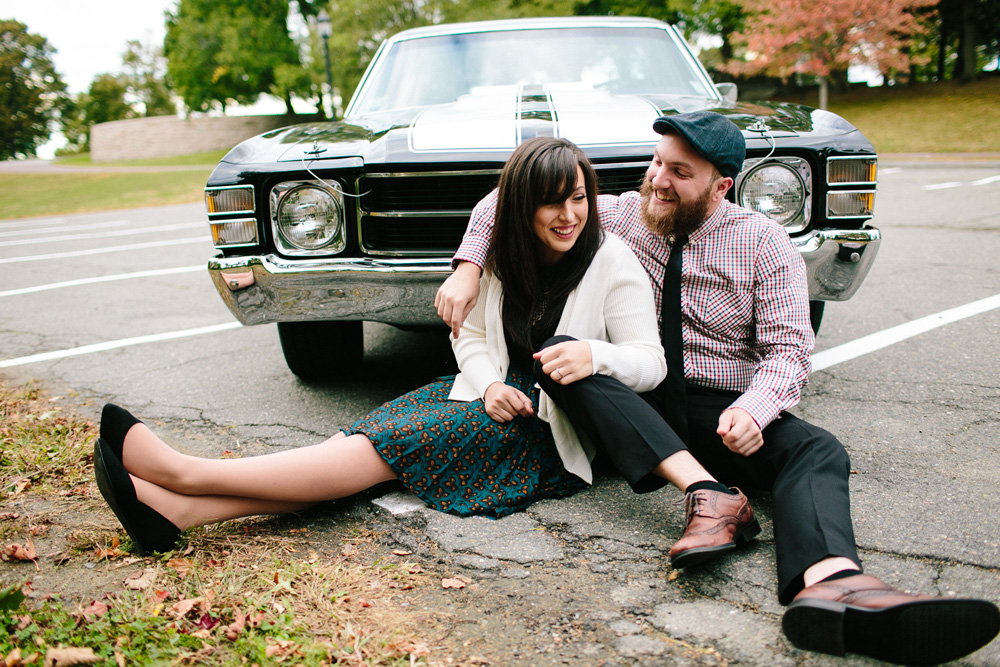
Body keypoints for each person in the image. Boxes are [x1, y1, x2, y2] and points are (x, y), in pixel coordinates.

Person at [434, 111, 1000, 666]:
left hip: (718, 409)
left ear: (721, 185)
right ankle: (709, 498)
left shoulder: (764, 242)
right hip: (633, 396)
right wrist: (468, 265)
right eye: (657, 163)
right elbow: (510, 197)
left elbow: (789, 350)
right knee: (569, 359)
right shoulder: (626, 213)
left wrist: (754, 412)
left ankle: (834, 585)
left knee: (817, 448)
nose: (658, 179)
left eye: (680, 172)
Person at [94, 137, 696, 560]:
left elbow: (651, 362)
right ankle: (181, 513)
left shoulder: (610, 261)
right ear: (521, 207)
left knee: (383, 450)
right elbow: (476, 336)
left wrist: (595, 354)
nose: (569, 216)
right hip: (486, 397)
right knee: (362, 440)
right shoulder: (504, 257)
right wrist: (487, 384)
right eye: (552, 201)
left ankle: (186, 474)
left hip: (548, 431)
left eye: (580, 199)